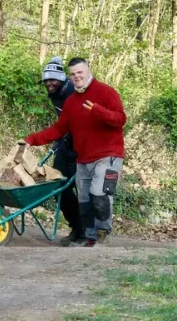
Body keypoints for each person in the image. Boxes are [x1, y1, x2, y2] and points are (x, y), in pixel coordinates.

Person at [23, 57, 126, 247]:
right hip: (83, 157)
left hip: (108, 154)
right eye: (73, 74)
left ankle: (103, 231)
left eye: (80, 72)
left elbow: (120, 119)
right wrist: (30, 140)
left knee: (99, 193)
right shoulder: (71, 102)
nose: (77, 76)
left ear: (87, 70)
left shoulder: (106, 92)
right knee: (84, 199)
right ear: (69, 77)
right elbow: (58, 129)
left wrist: (97, 111)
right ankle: (89, 237)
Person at [39, 56, 84, 246]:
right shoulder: (55, 92)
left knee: (82, 191)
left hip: (80, 149)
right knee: (59, 186)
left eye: (53, 79)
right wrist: (59, 139)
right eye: (46, 80)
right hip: (65, 147)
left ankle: (85, 232)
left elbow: (81, 121)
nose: (49, 83)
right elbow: (62, 121)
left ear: (62, 78)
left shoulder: (73, 92)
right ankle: (76, 227)